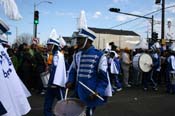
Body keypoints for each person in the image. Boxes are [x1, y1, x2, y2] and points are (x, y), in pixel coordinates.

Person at [66, 27, 111, 116]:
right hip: (77, 92)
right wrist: (70, 80)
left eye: (80, 39)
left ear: (88, 40)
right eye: (77, 39)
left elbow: (103, 79)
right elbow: (73, 70)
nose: (77, 41)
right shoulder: (77, 55)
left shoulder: (100, 55)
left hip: (90, 94)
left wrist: (98, 91)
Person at [43, 29, 67, 116]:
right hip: (51, 84)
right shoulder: (53, 55)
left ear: (53, 45)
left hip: (57, 85)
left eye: (49, 45)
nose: (47, 46)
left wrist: (54, 81)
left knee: (62, 103)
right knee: (47, 103)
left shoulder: (58, 55)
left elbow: (58, 70)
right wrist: (49, 68)